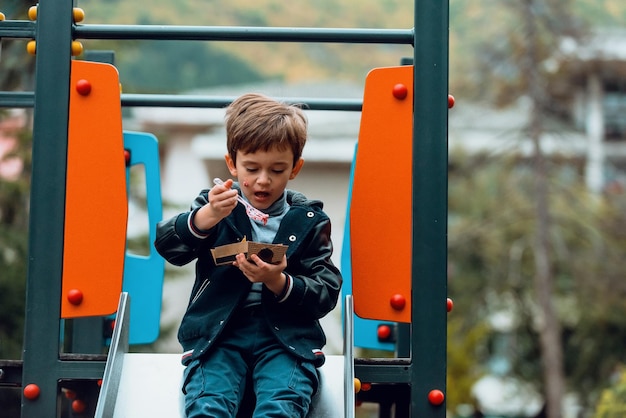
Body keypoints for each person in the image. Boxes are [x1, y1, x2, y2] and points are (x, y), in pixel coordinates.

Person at [155, 93, 343, 418]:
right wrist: (206, 217)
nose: (263, 180)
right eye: (251, 168)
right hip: (219, 333)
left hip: (286, 339)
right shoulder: (218, 207)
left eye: (277, 169)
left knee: (283, 400)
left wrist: (278, 281)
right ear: (232, 163)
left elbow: (325, 291)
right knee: (208, 400)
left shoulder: (309, 221)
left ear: (295, 168)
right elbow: (169, 247)